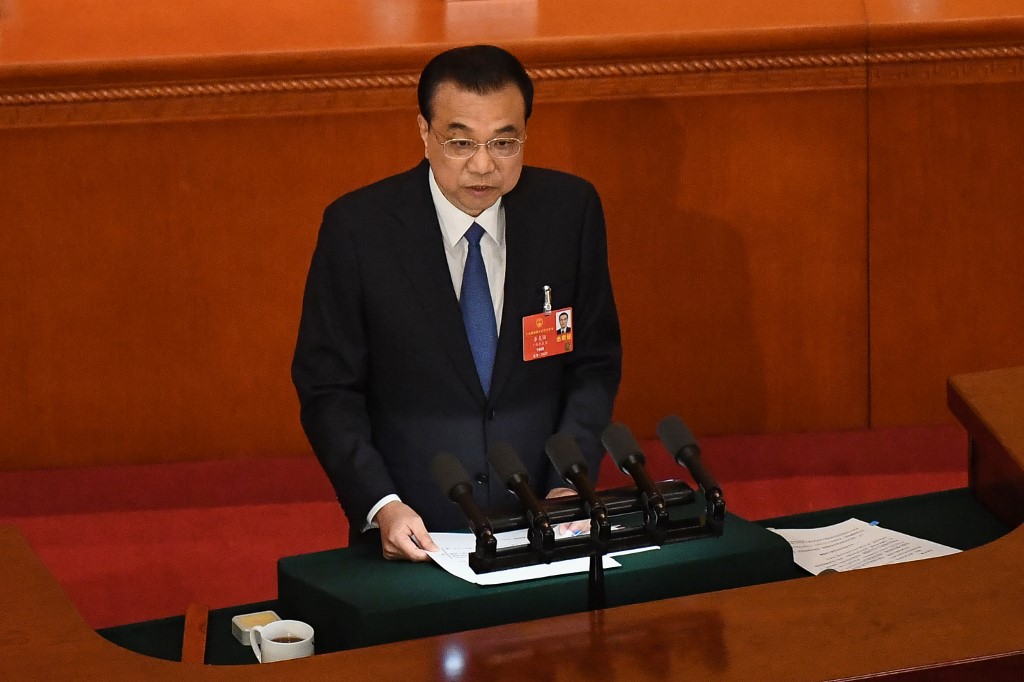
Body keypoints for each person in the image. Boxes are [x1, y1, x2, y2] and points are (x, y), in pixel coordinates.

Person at [292, 45, 621, 562]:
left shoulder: (568, 212)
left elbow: (594, 362)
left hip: (546, 524)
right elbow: (328, 388)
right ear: (424, 132)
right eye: (461, 142)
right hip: (416, 532)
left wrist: (568, 481)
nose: (483, 165)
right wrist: (381, 504)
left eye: (504, 142)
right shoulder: (358, 229)